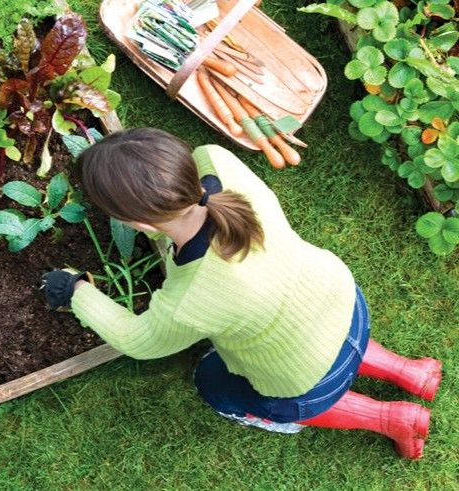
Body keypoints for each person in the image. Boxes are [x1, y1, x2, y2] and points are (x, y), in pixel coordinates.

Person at [41, 128, 442, 459]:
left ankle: (391, 418)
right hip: (341, 300)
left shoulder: (193, 298)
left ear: (138, 224)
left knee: (214, 384)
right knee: (321, 336)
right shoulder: (217, 162)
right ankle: (411, 372)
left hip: (305, 377)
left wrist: (75, 290)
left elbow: (138, 340)